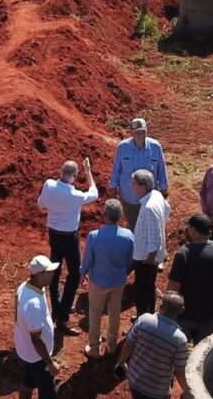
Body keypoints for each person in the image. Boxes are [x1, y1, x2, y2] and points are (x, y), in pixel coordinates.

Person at [115, 291, 189, 399]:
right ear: (181, 311)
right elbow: (179, 371)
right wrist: (188, 390)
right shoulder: (179, 340)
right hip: (157, 390)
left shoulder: (144, 321)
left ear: (161, 307)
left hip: (135, 381)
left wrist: (120, 363)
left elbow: (128, 344)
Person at [37, 159, 98, 334]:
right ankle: (63, 316)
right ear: (75, 175)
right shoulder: (75, 195)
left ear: (61, 171)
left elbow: (40, 204)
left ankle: (57, 309)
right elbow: (94, 193)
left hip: (53, 234)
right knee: (74, 274)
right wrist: (88, 172)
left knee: (55, 270)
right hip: (69, 238)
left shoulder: (48, 185)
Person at [12, 255, 66, 399]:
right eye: (49, 272)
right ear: (39, 274)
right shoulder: (33, 302)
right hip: (36, 356)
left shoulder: (25, 287)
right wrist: (50, 363)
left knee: (27, 383)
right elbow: (37, 339)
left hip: (25, 351)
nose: (53, 274)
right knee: (47, 394)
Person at [80, 199, 135, 358]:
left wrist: (83, 273)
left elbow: (88, 259)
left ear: (105, 216)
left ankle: (95, 348)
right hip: (118, 281)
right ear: (120, 216)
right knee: (115, 312)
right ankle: (111, 345)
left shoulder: (94, 236)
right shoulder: (128, 236)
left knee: (95, 313)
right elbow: (130, 260)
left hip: (98, 281)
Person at [166, 213, 213, 344]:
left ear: (194, 230)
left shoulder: (184, 254)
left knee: (176, 351)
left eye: (189, 227)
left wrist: (167, 311)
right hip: (209, 315)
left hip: (185, 316)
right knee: (203, 355)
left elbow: (174, 287)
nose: (187, 229)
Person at [108, 118, 169, 230]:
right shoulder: (123, 147)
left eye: (143, 132)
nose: (140, 135)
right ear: (131, 132)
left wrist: (164, 192)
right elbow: (116, 169)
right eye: (137, 132)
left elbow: (161, 169)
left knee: (149, 227)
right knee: (133, 225)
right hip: (130, 198)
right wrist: (113, 192)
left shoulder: (155, 147)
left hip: (149, 198)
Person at [129, 169, 170, 317]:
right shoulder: (156, 195)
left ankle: (142, 320)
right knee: (149, 288)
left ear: (142, 186)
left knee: (142, 291)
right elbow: (167, 208)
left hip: (146, 259)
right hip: (148, 256)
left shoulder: (148, 208)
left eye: (133, 183)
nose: (131, 186)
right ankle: (149, 315)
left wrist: (150, 259)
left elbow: (155, 240)